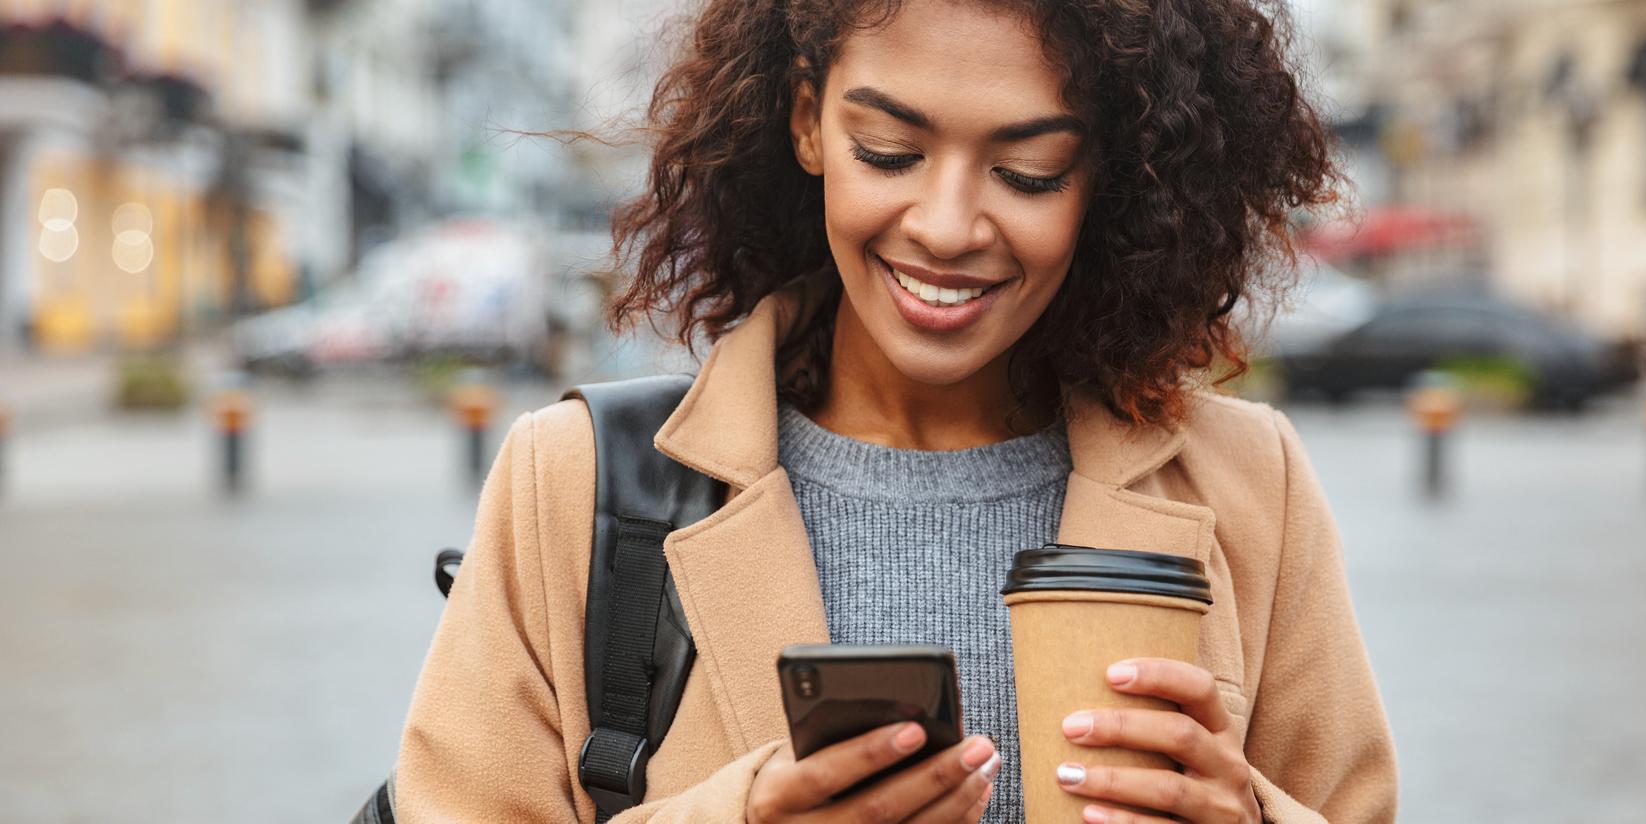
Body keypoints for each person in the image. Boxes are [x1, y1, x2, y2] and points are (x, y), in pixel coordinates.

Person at [390, 0, 1397, 821]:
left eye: (1029, 170)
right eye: (888, 150)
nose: (947, 226)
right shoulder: (574, 483)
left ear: (1111, 175)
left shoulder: (1250, 485)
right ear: (805, 120)